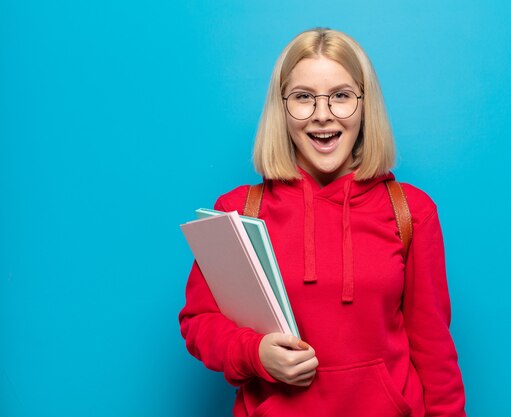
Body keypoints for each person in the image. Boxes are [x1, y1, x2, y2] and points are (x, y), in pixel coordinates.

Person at [179, 28, 466, 417]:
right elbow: (200, 322)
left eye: (341, 96)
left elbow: (434, 350)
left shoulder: (411, 211)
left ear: (365, 105)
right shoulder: (239, 211)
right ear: (282, 108)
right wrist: (255, 353)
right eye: (303, 98)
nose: (322, 114)